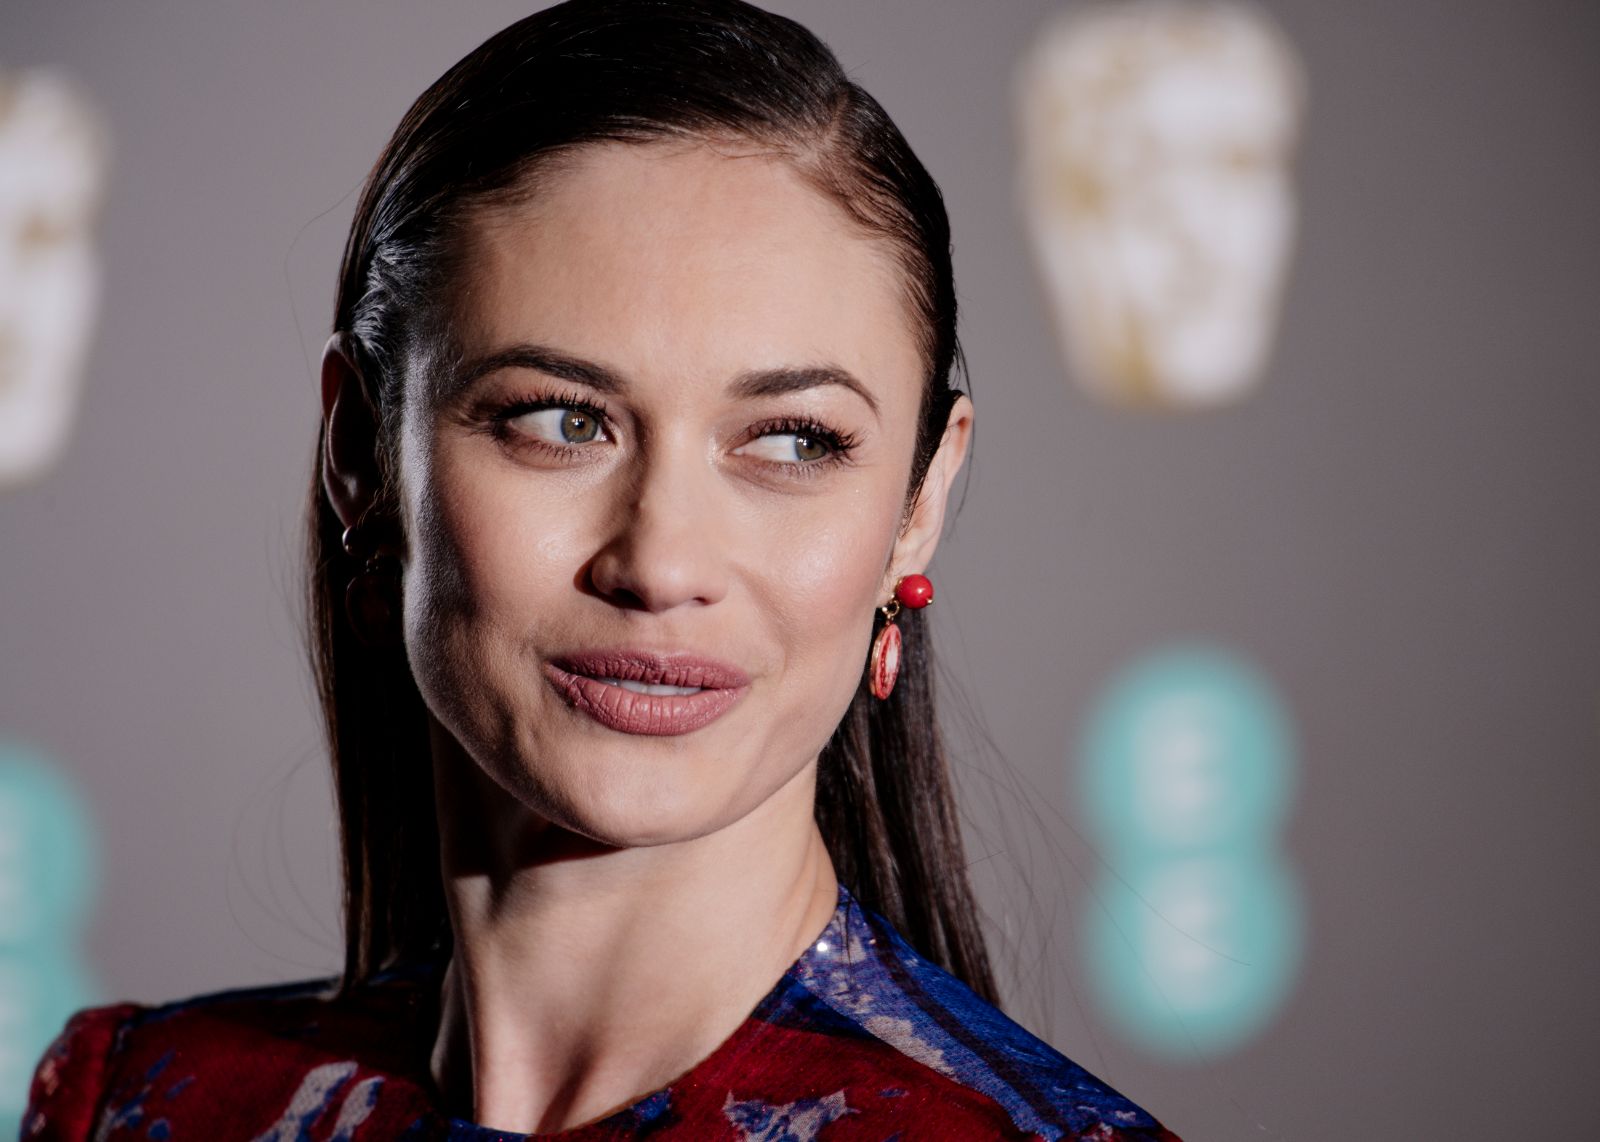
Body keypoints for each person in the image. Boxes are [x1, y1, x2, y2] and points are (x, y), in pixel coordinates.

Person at [23, 2, 1182, 1137]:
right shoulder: (134, 1101)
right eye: (562, 421)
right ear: (363, 453)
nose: (661, 563)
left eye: (793, 440)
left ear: (920, 501)